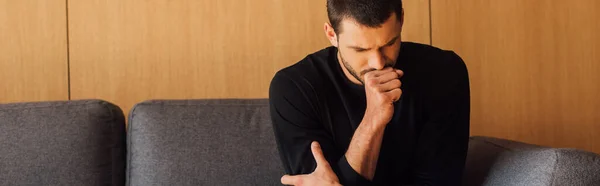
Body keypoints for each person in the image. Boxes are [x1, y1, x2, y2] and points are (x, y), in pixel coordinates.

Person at [269, 0, 470, 185]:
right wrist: (373, 120)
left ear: (401, 20)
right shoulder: (294, 89)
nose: (378, 63)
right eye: (360, 50)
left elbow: (439, 181)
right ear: (332, 35)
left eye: (389, 43)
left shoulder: (443, 72)